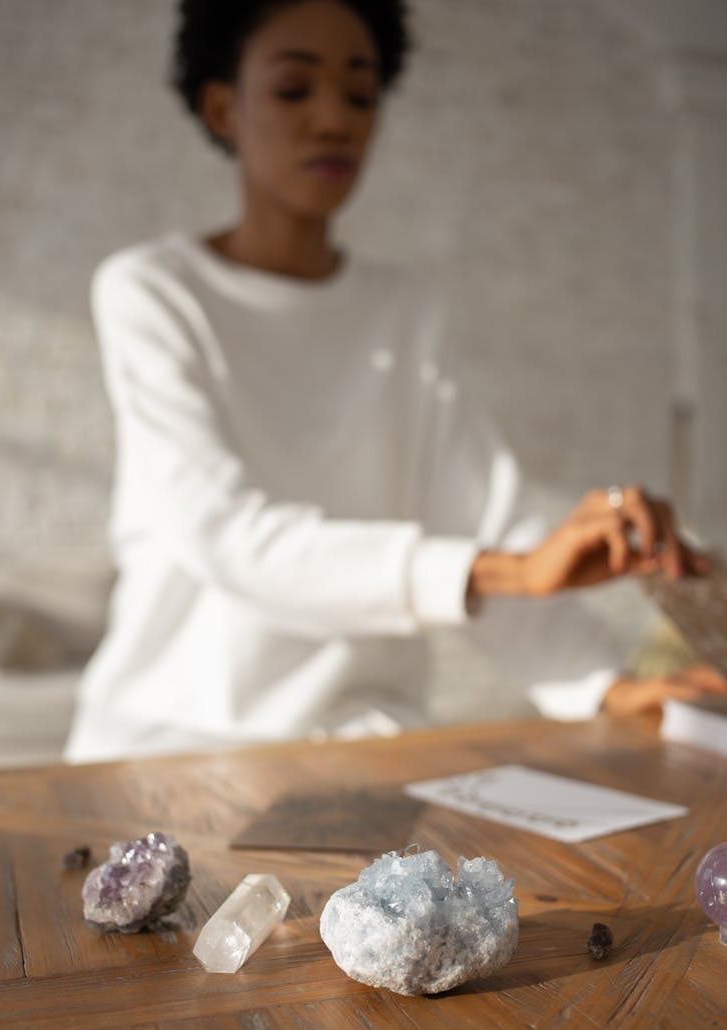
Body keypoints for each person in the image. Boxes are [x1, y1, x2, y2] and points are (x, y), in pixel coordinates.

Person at [64, 0, 726, 763]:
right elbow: (227, 534)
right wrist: (511, 569)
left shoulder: (406, 309)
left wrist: (603, 683)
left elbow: (483, 520)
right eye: (293, 89)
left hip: (363, 749)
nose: (333, 120)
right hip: (169, 748)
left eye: (360, 92)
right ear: (223, 107)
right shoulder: (152, 290)